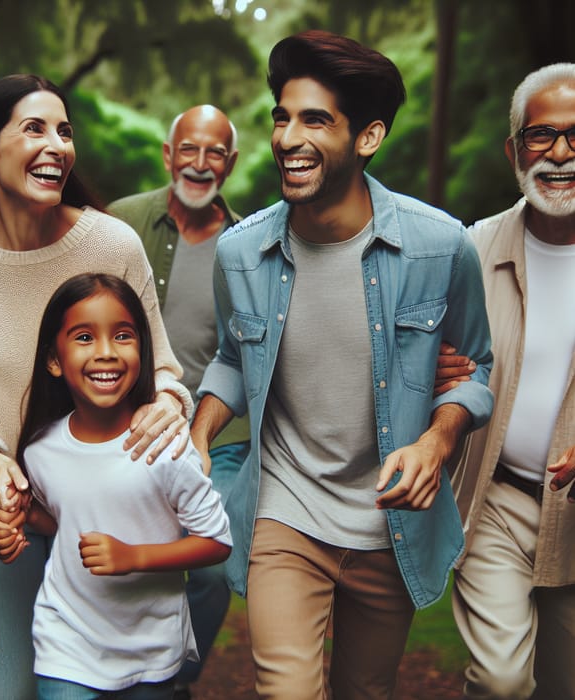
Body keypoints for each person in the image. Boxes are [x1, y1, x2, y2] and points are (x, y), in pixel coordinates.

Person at [189, 30, 494, 700]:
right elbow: (235, 357)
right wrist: (199, 435)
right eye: (282, 117)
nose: (288, 137)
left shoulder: (440, 248)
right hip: (286, 512)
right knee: (286, 690)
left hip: (391, 522)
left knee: (366, 690)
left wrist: (435, 443)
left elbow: (476, 372)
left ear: (368, 137)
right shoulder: (239, 253)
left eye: (315, 120)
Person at [0, 74, 193, 700]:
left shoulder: (111, 242)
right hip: (1, 514)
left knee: (120, 687)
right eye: (34, 128)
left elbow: (164, 372)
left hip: (103, 506)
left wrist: (168, 407)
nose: (57, 145)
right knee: (3, 688)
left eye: (64, 131)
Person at [0, 272, 232, 699]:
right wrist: (23, 515)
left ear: (142, 350)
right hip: (66, 642)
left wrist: (133, 556)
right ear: (54, 359)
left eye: (122, 336)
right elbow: (64, 521)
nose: (105, 353)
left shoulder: (166, 447)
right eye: (84, 338)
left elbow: (216, 542)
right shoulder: (39, 449)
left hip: (151, 650)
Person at [443, 63, 575, 700]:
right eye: (541, 135)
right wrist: (439, 372)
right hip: (495, 498)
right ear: (514, 148)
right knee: (502, 681)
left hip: (574, 515)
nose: (559, 153)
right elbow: (426, 358)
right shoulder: (472, 248)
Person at [108, 104, 249, 698]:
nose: (199, 163)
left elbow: (249, 350)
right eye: (187, 149)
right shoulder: (119, 223)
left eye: (214, 151)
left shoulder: (248, 244)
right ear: (168, 156)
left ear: (231, 162)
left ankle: (176, 674)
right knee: (114, 559)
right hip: (124, 431)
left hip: (218, 439)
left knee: (212, 571)